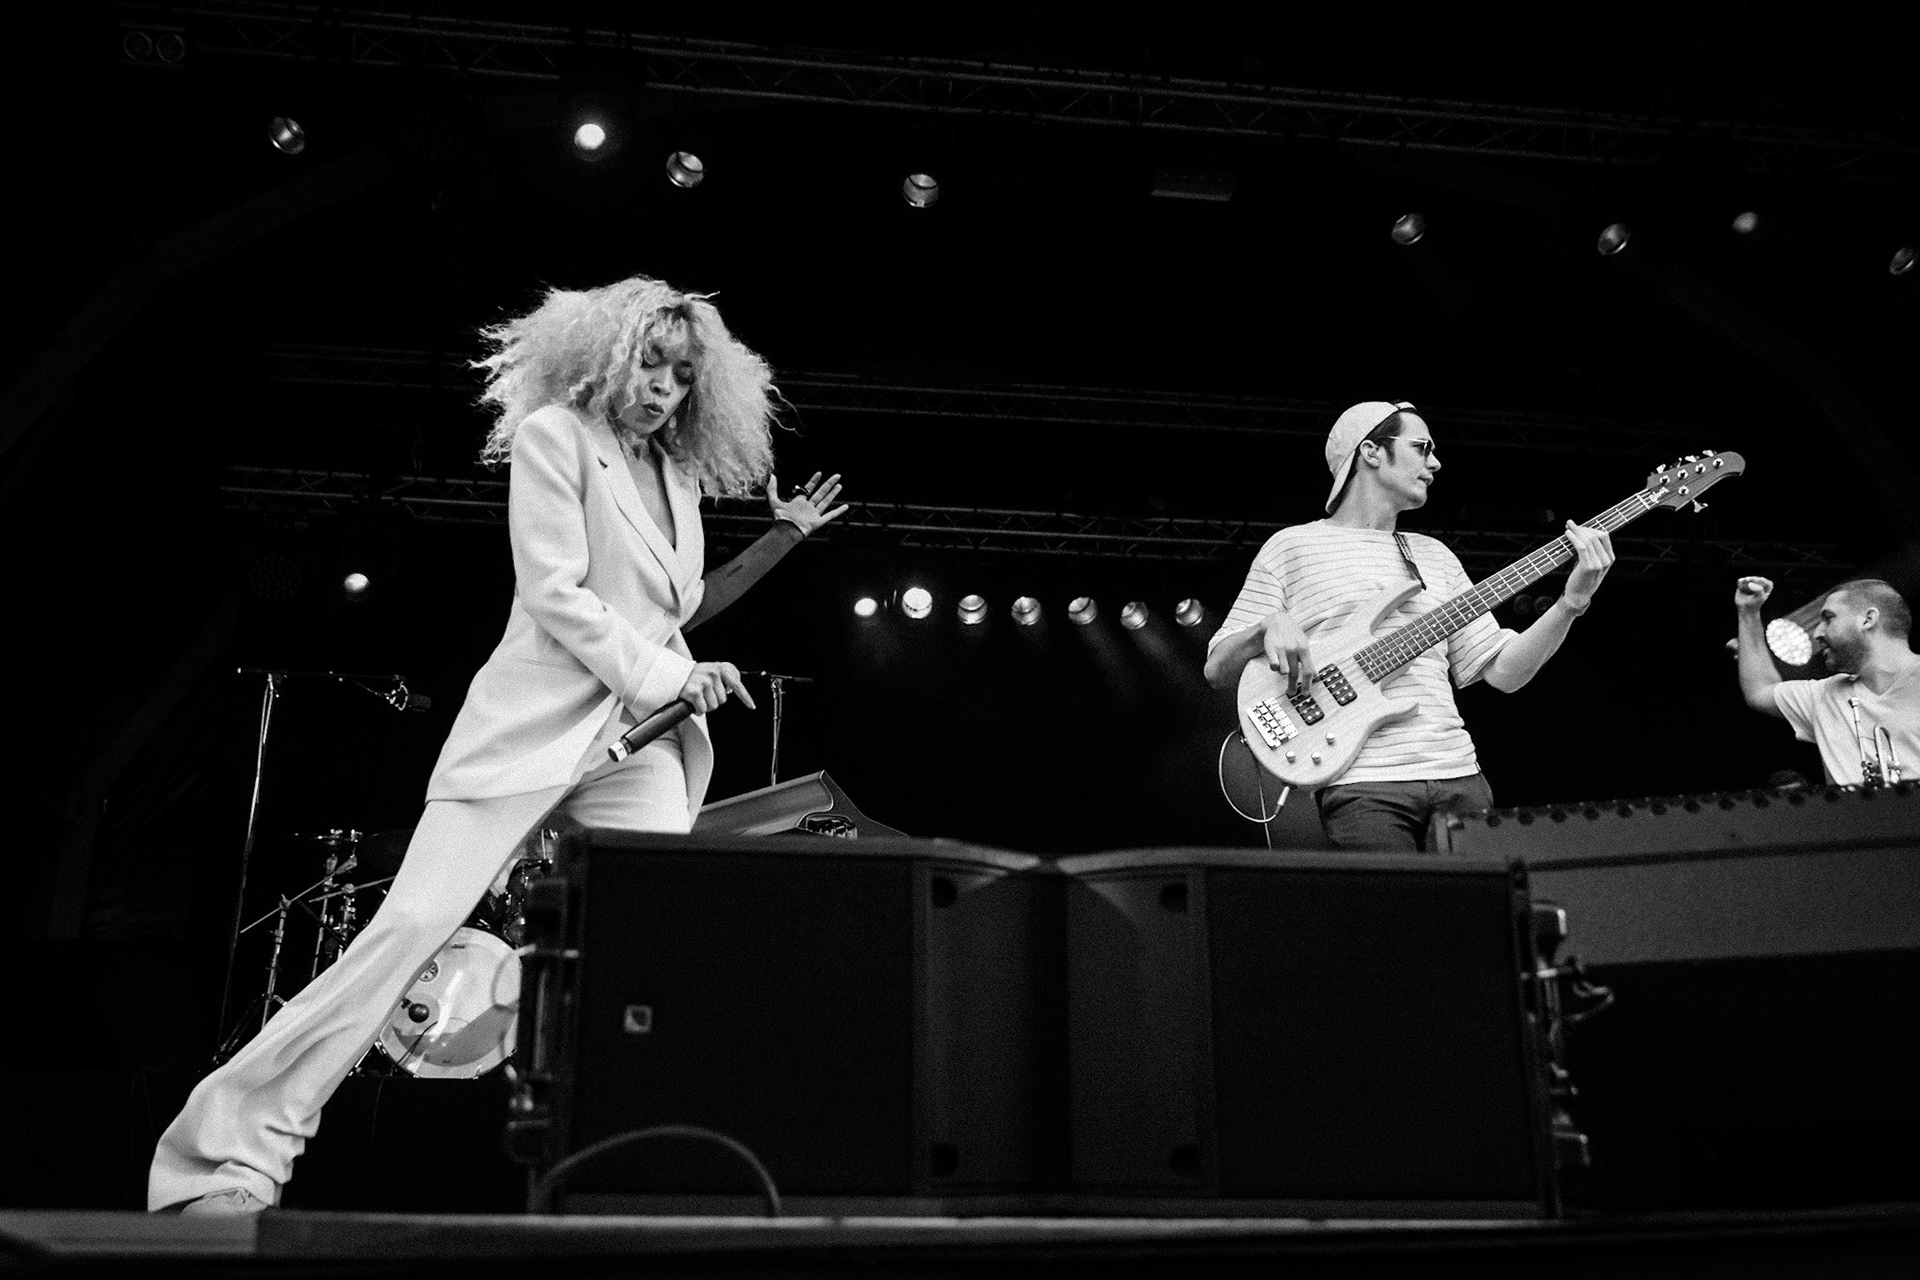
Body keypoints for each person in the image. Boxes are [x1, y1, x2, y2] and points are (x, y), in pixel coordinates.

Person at [150, 275, 848, 1214]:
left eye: (682, 377)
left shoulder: (677, 479)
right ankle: (224, 1160)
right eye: (650, 363)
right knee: (406, 932)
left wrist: (783, 539)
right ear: (607, 354)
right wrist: (675, 675)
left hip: (634, 741)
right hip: (532, 730)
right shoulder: (554, 437)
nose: (662, 389)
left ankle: (644, 1173)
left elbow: (680, 607)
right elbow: (559, 596)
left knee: (656, 947)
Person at [1203, 400, 1615, 851]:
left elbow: (1504, 673)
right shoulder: (1292, 547)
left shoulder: (1435, 556)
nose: (1435, 462)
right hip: (1363, 785)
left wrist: (1572, 602)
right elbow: (1217, 667)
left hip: (1459, 777)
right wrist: (1268, 626)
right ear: (1371, 452)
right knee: (1396, 920)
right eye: (1421, 447)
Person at [1733, 576, 1920, 786]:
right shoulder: (1824, 695)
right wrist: (1748, 613)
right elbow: (1760, 690)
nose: (1817, 633)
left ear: (1868, 619)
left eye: (1828, 618)